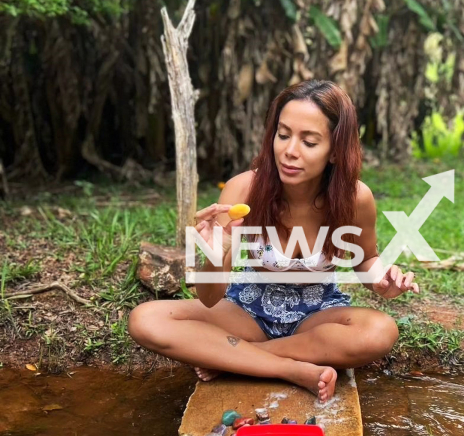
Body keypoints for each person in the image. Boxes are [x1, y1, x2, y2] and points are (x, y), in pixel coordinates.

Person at [128, 80, 419, 402]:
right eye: (283, 135)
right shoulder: (242, 191)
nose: (290, 151)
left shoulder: (355, 198)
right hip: (247, 311)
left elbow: (365, 259)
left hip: (317, 315)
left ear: (336, 151)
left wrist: (382, 278)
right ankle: (290, 369)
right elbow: (210, 298)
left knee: (380, 331)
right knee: (146, 319)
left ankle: (237, 358)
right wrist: (216, 251)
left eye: (309, 142)